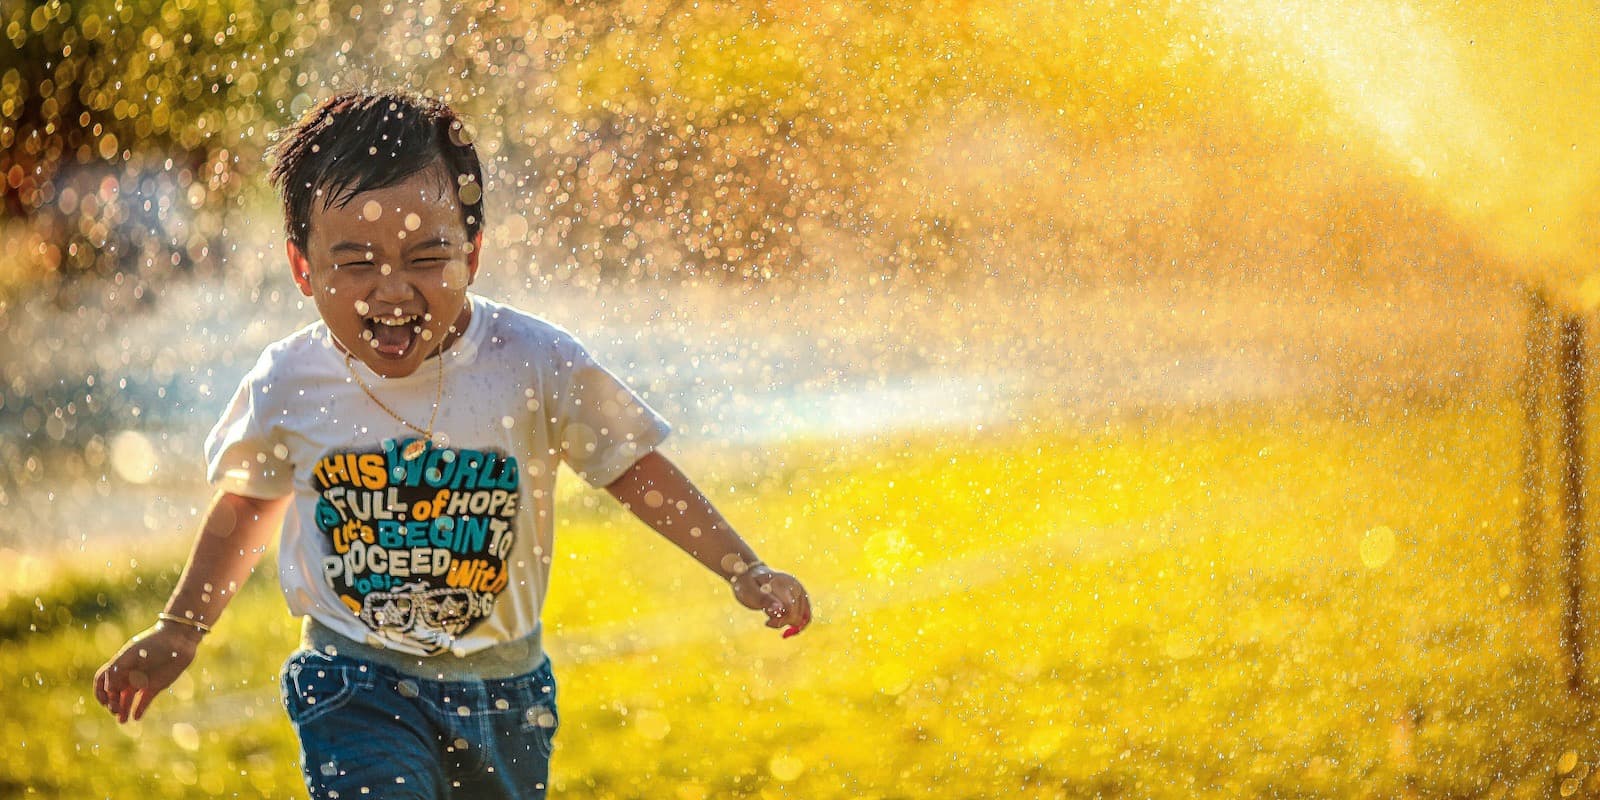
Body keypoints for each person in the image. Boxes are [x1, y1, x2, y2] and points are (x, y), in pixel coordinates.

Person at [92, 90, 813, 799]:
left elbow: (633, 468)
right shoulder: (291, 380)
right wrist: (181, 628)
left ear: (473, 253)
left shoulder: (533, 361)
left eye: (425, 256)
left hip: (505, 692)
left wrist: (741, 567)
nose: (392, 289)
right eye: (356, 262)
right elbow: (249, 504)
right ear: (302, 268)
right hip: (355, 681)